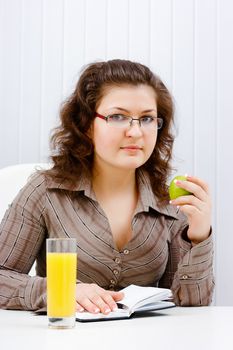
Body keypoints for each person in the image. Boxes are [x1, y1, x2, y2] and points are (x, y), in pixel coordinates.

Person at [0, 59, 214, 314]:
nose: (135, 132)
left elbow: (190, 305)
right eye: (118, 117)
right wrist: (61, 289)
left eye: (147, 119)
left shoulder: (171, 202)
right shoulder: (45, 191)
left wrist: (199, 235)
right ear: (87, 124)